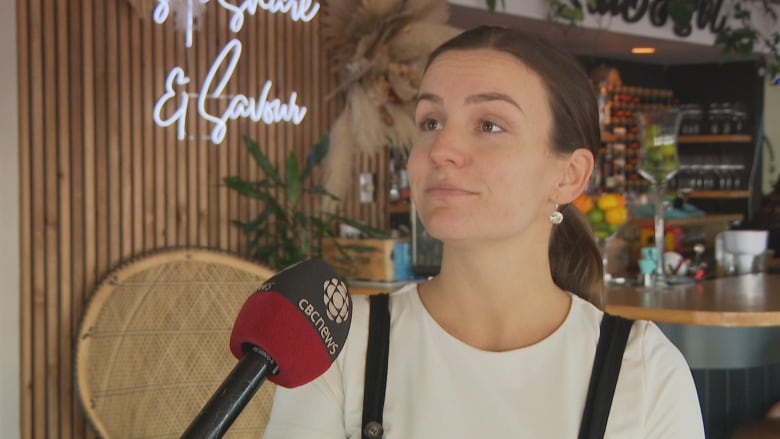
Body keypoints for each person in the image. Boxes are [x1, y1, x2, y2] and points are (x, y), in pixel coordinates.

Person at [262, 25, 705, 438]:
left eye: (489, 125)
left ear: (569, 176)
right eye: (430, 122)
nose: (443, 149)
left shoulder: (641, 369)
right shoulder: (343, 345)